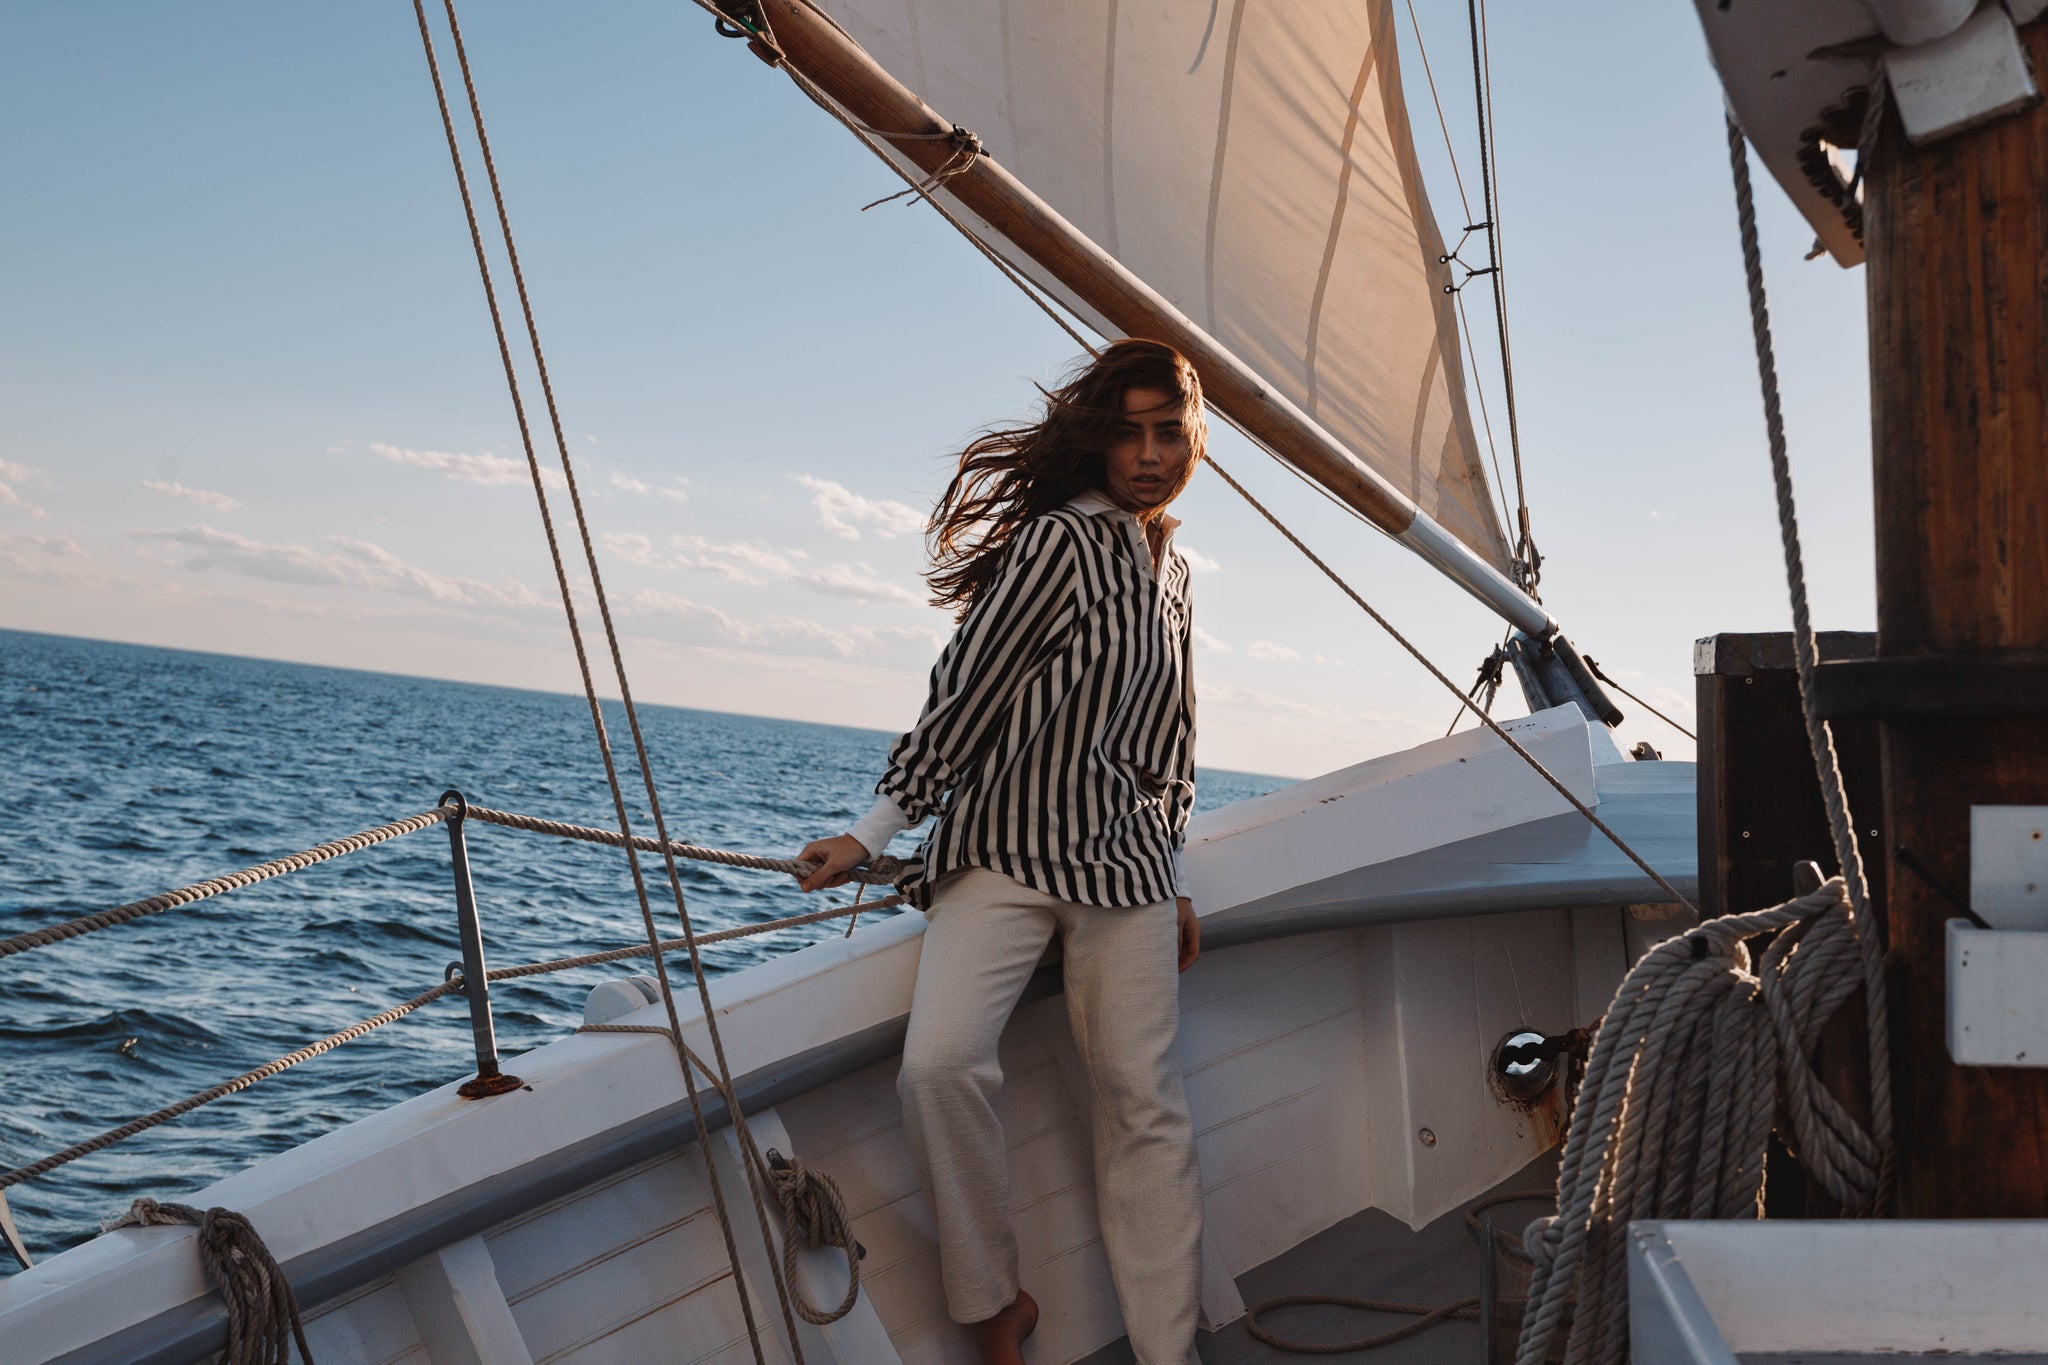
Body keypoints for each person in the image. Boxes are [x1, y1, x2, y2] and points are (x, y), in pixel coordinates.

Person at [795, 338, 1207, 1365]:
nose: (1148, 454)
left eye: (1167, 432)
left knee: (1142, 1112)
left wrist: (1174, 872)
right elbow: (967, 692)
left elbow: (1171, 742)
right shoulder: (1058, 542)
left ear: (1191, 439)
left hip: (1126, 874)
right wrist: (872, 831)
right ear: (1098, 441)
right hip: (1006, 854)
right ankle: (993, 1310)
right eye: (1127, 432)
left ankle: (1170, 1353)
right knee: (936, 1069)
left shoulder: (1175, 570)